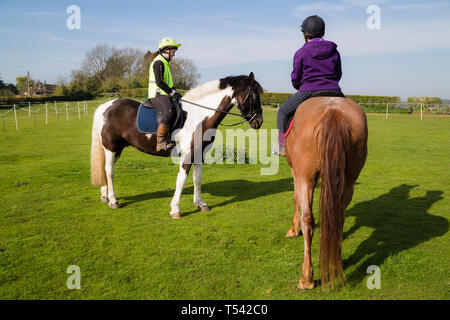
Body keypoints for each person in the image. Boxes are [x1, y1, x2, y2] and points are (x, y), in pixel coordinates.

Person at [276, 15, 345, 156]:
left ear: (305, 34)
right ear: (323, 32)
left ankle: (281, 146)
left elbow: (296, 77)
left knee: (282, 112)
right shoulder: (334, 51)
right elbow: (338, 74)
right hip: (334, 90)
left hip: (309, 90)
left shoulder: (301, 52)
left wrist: (299, 86)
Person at [148, 37, 183, 151]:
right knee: (170, 112)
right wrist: (172, 92)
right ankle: (161, 142)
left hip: (164, 94)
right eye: (173, 50)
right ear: (166, 50)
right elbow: (159, 82)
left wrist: (176, 92)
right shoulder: (158, 62)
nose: (174, 53)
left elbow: (168, 83)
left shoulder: (166, 63)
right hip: (157, 94)